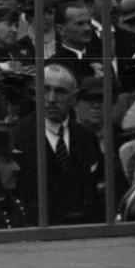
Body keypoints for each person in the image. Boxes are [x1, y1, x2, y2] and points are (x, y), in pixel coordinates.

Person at [10, 63, 105, 225]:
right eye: (46, 90)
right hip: (38, 228)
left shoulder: (85, 136)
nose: (52, 99)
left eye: (60, 92)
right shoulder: (18, 135)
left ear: (74, 98)